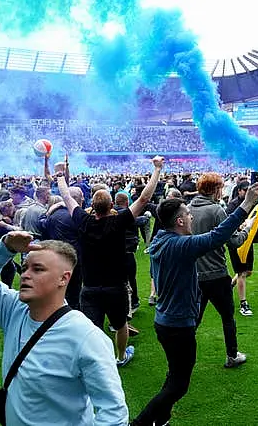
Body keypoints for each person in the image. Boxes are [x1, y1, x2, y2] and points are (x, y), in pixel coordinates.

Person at [0, 231, 128, 425]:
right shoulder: (15, 310)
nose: (25, 275)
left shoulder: (85, 337)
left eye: (37, 269)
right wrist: (4, 248)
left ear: (63, 279)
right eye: (24, 267)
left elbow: (113, 413)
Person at [130, 182, 258, 426]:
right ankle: (140, 423)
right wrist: (246, 205)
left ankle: (162, 418)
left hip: (165, 322)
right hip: (178, 326)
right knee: (179, 386)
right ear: (179, 221)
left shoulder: (161, 238)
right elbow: (218, 236)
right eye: (188, 215)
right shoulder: (181, 246)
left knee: (174, 374)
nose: (191, 217)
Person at [58, 156, 164, 367]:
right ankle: (121, 356)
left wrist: (60, 177)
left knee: (93, 328)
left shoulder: (83, 221)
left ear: (92, 207)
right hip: (115, 286)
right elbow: (143, 199)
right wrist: (157, 170)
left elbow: (67, 198)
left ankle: (96, 359)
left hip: (90, 287)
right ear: (111, 205)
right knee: (120, 323)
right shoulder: (118, 221)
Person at [189, 172, 250, 367]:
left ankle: (182, 357)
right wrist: (247, 230)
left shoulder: (188, 208)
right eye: (220, 188)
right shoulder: (216, 210)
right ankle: (232, 355)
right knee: (227, 317)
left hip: (194, 274)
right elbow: (233, 242)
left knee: (193, 320)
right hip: (216, 273)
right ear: (215, 189)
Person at [226, 181, 254, 316]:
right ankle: (244, 303)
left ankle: (229, 286)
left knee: (248, 272)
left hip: (248, 241)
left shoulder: (253, 203)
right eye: (245, 190)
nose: (248, 192)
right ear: (239, 191)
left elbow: (256, 220)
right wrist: (240, 226)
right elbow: (227, 223)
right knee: (242, 272)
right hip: (236, 241)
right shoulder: (232, 205)